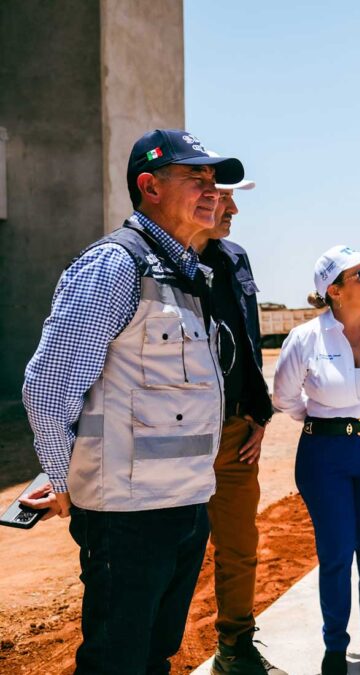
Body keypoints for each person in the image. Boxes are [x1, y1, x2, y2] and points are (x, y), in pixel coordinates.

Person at [21, 129, 243, 674]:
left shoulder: (190, 276)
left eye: (215, 182)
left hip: (186, 506)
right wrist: (65, 481)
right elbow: (48, 387)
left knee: (155, 656)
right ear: (150, 186)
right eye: (198, 179)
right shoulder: (116, 266)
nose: (213, 193)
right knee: (115, 661)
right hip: (126, 516)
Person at [273, 245, 360, 675]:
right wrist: (328, 419)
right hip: (325, 455)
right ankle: (335, 645)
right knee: (335, 552)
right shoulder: (306, 338)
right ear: (333, 290)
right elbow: (285, 398)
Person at [189, 177, 283, 674]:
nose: (233, 210)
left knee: (240, 547)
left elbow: (248, 339)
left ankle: (235, 646)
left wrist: (259, 415)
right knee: (173, 553)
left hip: (233, 434)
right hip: (177, 439)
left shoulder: (235, 259)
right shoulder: (164, 261)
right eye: (225, 198)